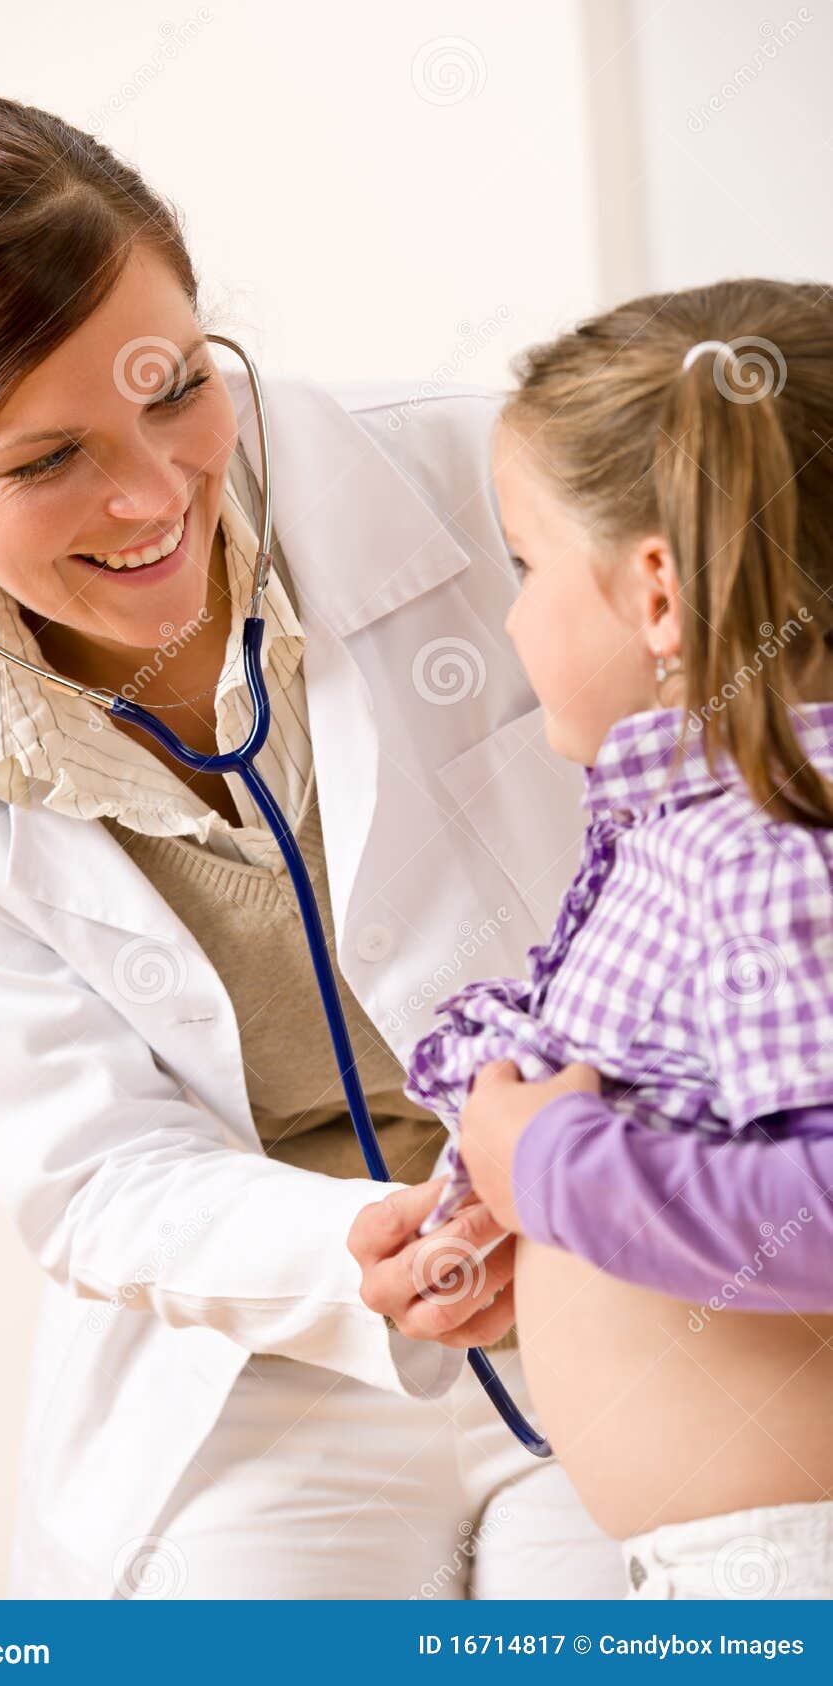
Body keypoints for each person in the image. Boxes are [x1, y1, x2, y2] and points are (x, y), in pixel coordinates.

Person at [0, 93, 625, 1599]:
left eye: (172, 388)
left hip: (622, 1253)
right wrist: (355, 1247)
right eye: (45, 463)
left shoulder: (473, 478)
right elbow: (90, 1167)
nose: (155, 494)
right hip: (280, 1333)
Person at [356, 279, 833, 1601]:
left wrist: (556, 1167)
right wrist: (533, 1210)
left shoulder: (778, 847)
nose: (510, 621)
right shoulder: (714, 823)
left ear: (659, 597)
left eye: (522, 566)